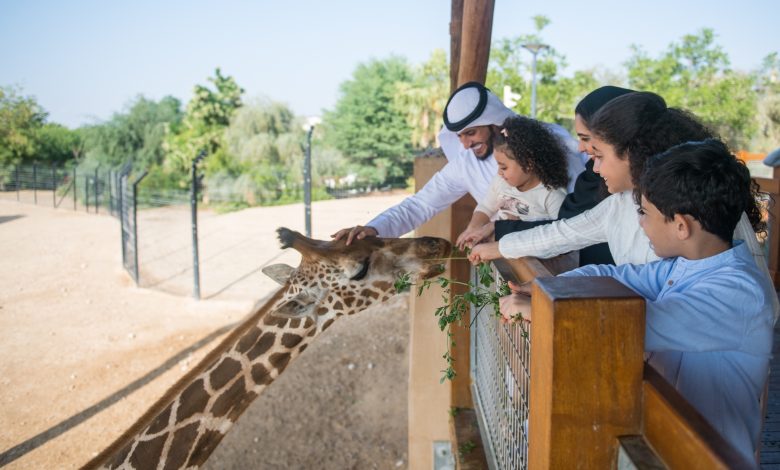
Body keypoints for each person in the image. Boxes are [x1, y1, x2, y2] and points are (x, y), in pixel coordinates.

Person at [501, 140, 773, 464]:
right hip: (667, 445)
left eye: (644, 214)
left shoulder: (739, 293)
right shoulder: (681, 266)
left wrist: (542, 310)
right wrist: (546, 287)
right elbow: (611, 275)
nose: (640, 224)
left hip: (709, 457)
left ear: (681, 226)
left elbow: (631, 326)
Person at [331, 81, 585, 244]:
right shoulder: (466, 164)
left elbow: (574, 214)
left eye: (471, 133)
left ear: (495, 123)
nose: (464, 144)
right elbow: (419, 205)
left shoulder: (550, 145)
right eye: (459, 136)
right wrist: (374, 229)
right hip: (505, 266)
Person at [464, 85, 635, 266]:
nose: (580, 148)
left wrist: (501, 240)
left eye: (585, 138)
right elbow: (569, 231)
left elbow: (566, 234)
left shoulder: (645, 198)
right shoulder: (604, 189)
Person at [455, 116, 569, 250]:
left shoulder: (552, 195)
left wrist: (515, 227)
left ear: (528, 164)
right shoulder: (501, 181)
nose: (499, 173)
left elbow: (561, 236)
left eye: (503, 167)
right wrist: (472, 228)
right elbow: (486, 206)